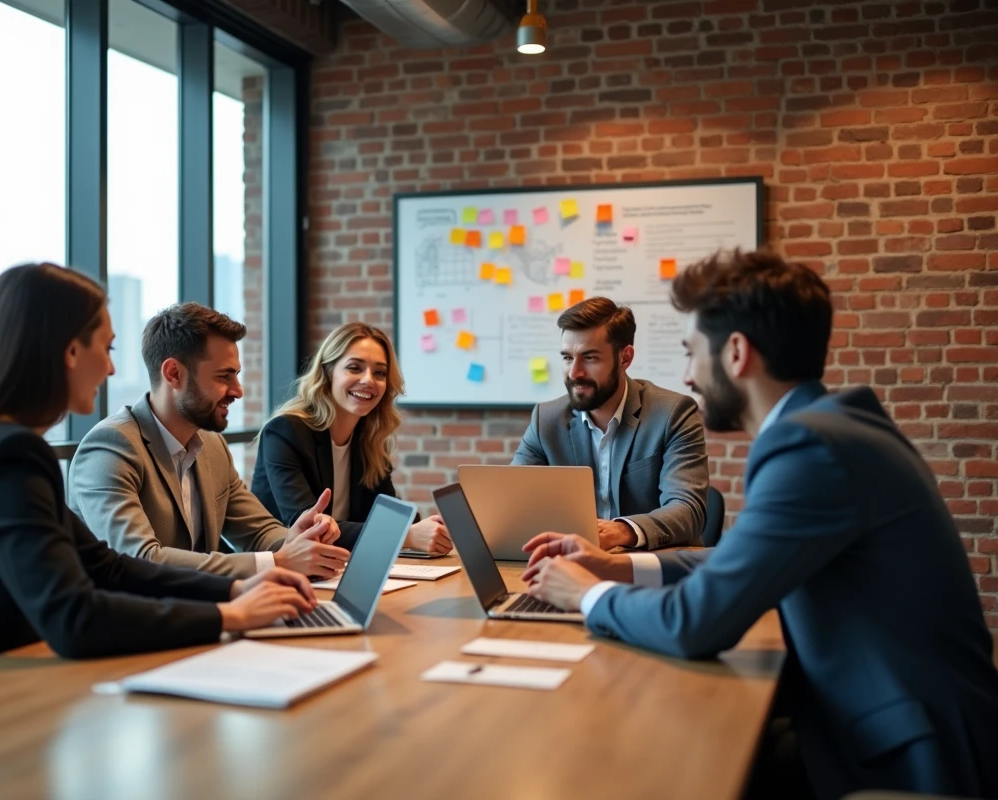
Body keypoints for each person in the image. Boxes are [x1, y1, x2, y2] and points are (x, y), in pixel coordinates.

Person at [521, 250, 998, 799]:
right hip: (879, 715)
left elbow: (696, 624)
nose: (687, 376)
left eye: (691, 352)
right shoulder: (830, 427)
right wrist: (619, 567)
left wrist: (589, 594)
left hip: (907, 755)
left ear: (738, 353)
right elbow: (739, 558)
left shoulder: (809, 446)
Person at [0, 264, 316, 692]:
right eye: (106, 348)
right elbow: (72, 616)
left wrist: (234, 589)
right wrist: (228, 615)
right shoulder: (4, 454)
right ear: (71, 350)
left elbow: (105, 565)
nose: (112, 368)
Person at [69, 303, 350, 579]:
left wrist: (295, 538)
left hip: (198, 610)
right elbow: (141, 559)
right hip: (131, 620)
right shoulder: (110, 447)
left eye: (236, 375)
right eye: (223, 376)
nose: (237, 391)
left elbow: (259, 531)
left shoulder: (212, 446)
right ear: (173, 374)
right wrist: (277, 562)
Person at [512, 297, 708, 550]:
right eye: (567, 358)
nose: (574, 373)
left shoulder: (672, 413)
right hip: (573, 569)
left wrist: (621, 530)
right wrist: (451, 531)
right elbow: (512, 504)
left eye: (589, 358)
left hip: (650, 571)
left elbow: (688, 510)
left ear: (625, 358)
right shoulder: (546, 420)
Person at [251, 322, 450, 553]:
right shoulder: (284, 431)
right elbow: (306, 525)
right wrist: (405, 535)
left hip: (340, 567)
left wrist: (432, 529)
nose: (368, 380)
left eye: (379, 373)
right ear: (328, 372)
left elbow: (390, 516)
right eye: (355, 368)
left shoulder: (368, 440)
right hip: (280, 572)